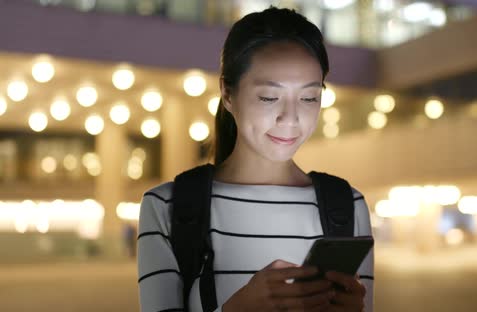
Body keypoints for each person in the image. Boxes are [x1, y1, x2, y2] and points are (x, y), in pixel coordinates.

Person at [137, 6, 374, 312]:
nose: (290, 118)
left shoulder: (347, 206)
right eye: (268, 97)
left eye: (309, 98)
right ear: (227, 93)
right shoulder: (169, 206)